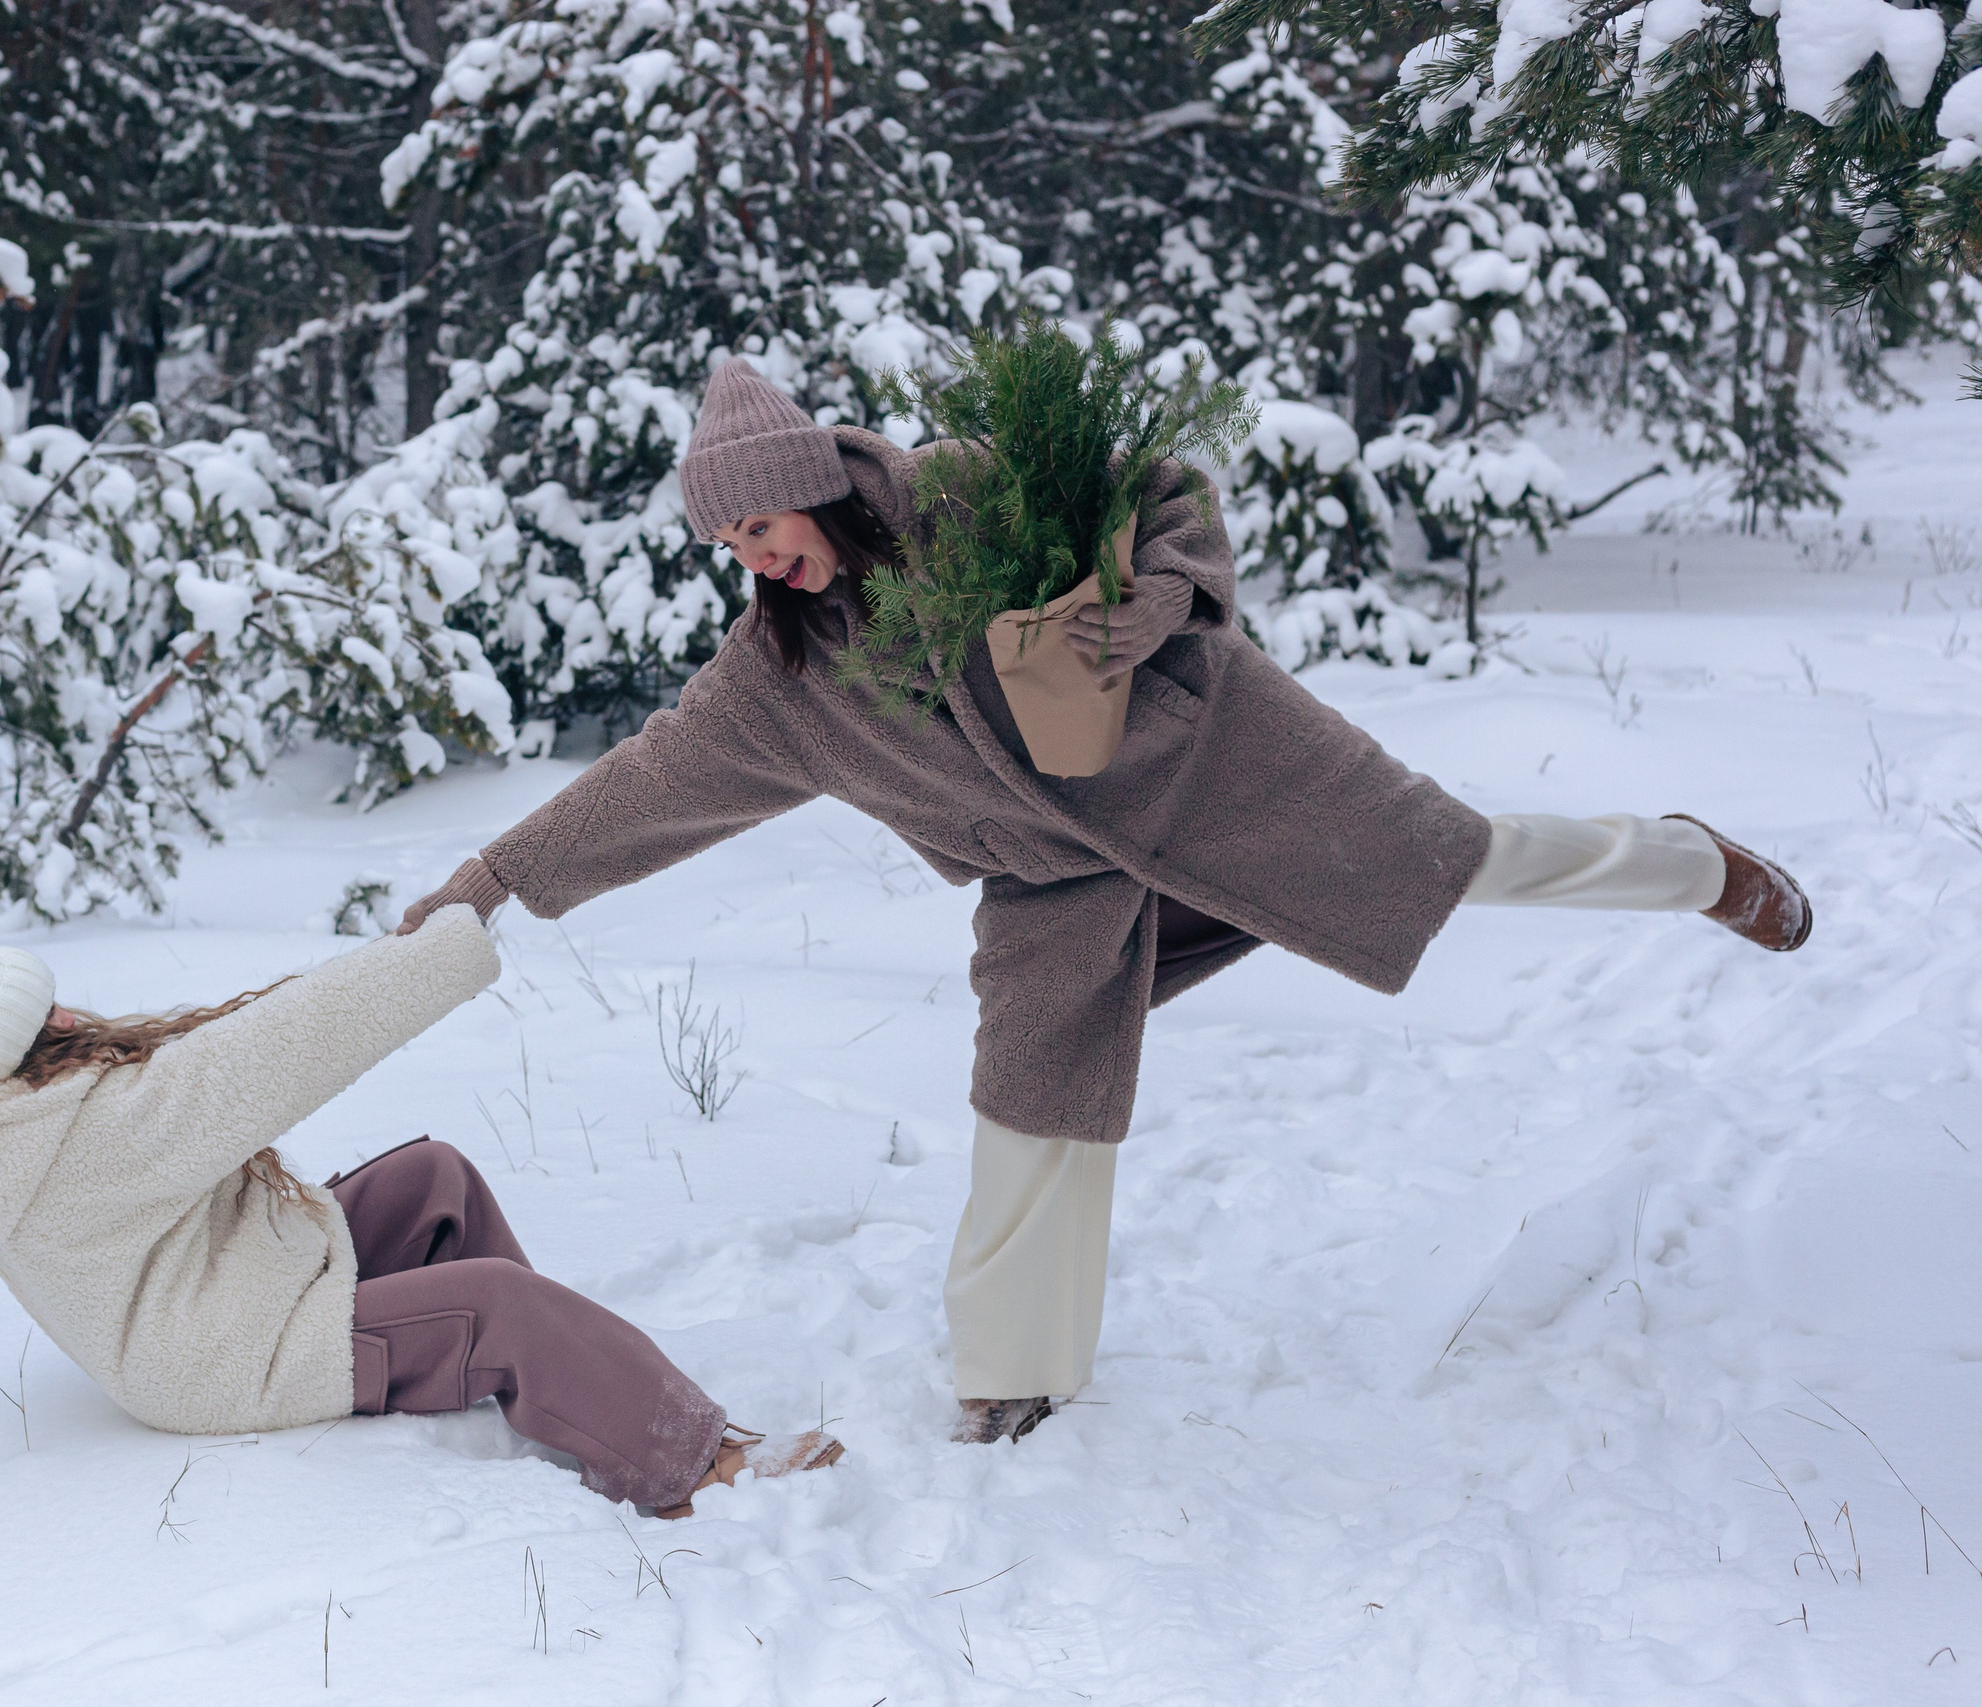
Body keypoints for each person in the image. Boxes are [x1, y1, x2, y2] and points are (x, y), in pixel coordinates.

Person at [396, 356, 1812, 1446]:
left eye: (764, 523)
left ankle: (1690, 862)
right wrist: (490, 880)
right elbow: (640, 787)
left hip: (1210, 760)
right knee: (1029, 1090)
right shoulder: (777, 686)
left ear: (812, 484)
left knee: (1453, 857)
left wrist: (1166, 600)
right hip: (1053, 872)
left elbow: (1161, 486)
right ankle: (1014, 1383)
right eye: (734, 546)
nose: (756, 557)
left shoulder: (960, 490)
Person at [0, 907, 842, 1515]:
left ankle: (569, 1390)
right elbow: (284, 1046)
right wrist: (449, 940)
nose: (72, 1015)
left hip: (216, 1290)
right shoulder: (96, 1136)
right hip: (225, 1357)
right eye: (46, 1015)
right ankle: (690, 1465)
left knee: (433, 1178)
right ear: (20, 1048)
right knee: (499, 1303)